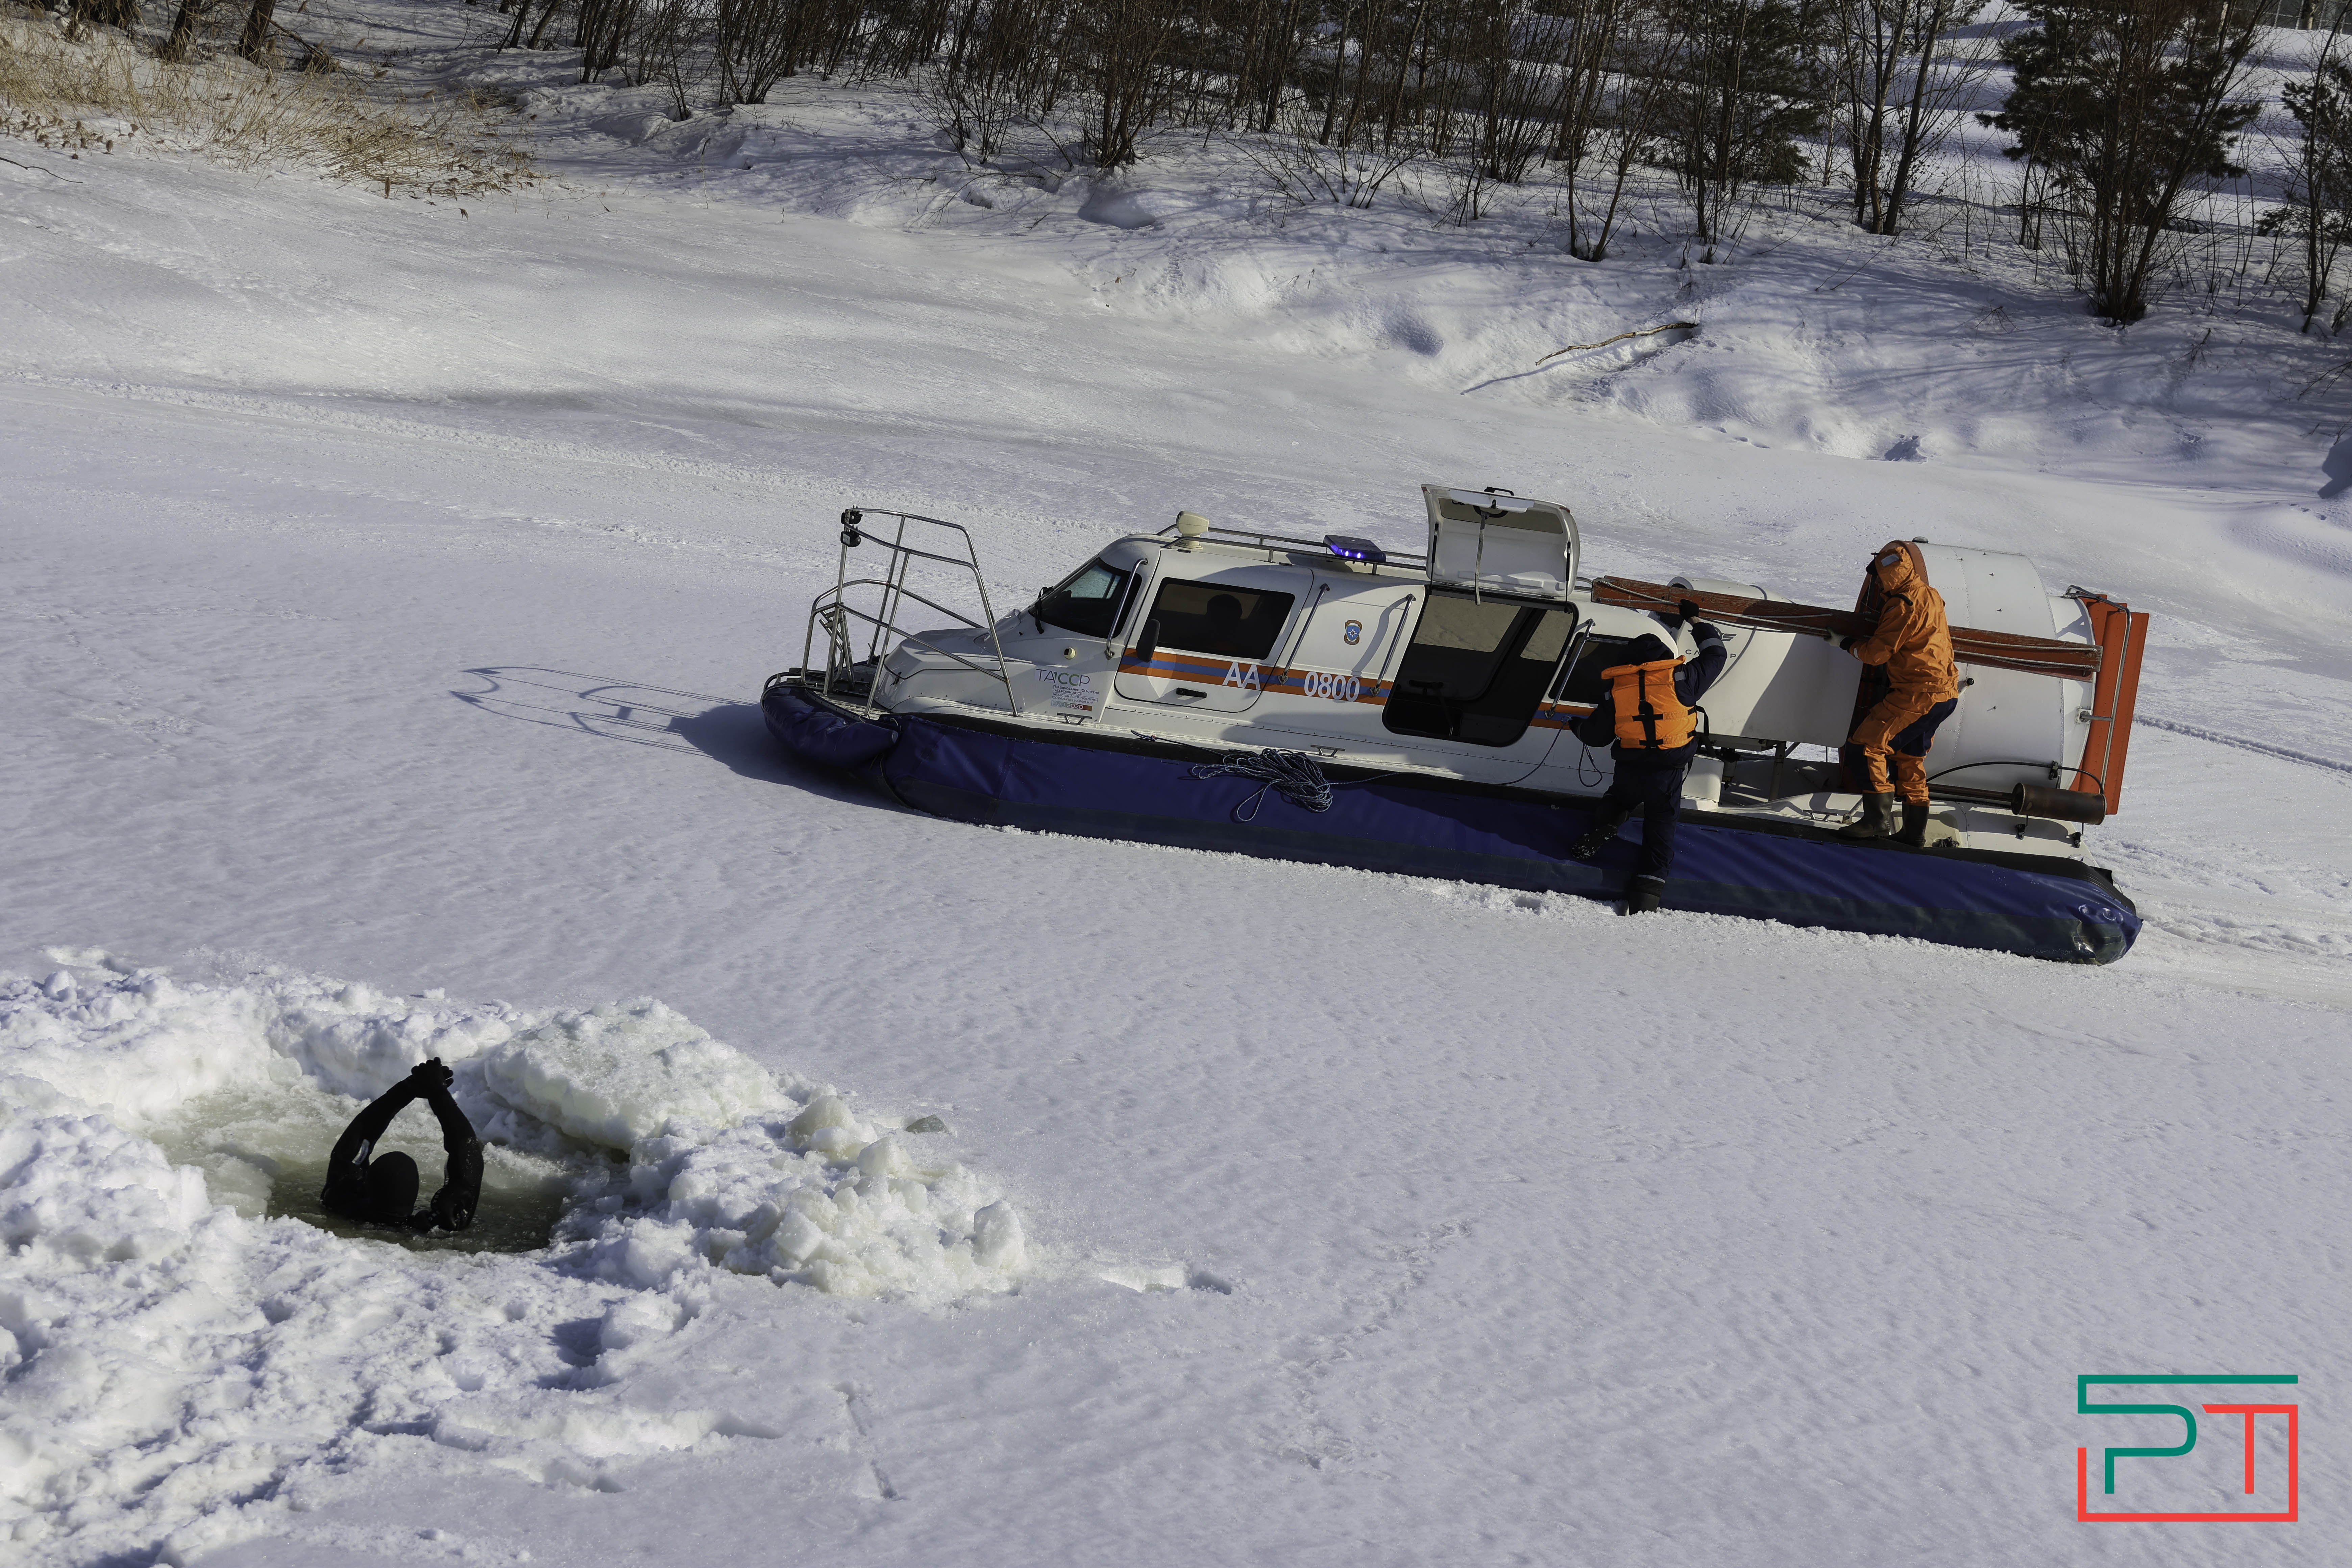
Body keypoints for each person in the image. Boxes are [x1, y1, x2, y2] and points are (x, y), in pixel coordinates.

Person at [1567, 600, 1728, 914]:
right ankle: (1645, 899)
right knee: (1660, 834)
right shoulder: (1685, 680)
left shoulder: (1618, 692)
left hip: (1630, 768)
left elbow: (1596, 737)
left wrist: (1575, 726)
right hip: (1667, 774)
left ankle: (1608, 822)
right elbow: (1717, 653)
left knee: (1618, 799)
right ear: (1665, 659)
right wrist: (1695, 620)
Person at [1836, 541, 1961, 846]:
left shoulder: (1902, 604)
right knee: (1910, 758)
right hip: (1945, 694)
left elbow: (1877, 654)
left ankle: (1877, 821)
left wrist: (1844, 644)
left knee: (1866, 746)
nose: (1877, 585)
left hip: (1918, 694)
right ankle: (1914, 832)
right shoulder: (1929, 594)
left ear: (1887, 575)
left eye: (1878, 577)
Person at [320, 1058, 483, 1232]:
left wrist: (405, 1090)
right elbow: (468, 1152)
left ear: (367, 1184)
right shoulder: (441, 1227)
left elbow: (360, 1136)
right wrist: (438, 1094)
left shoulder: (339, 1203)